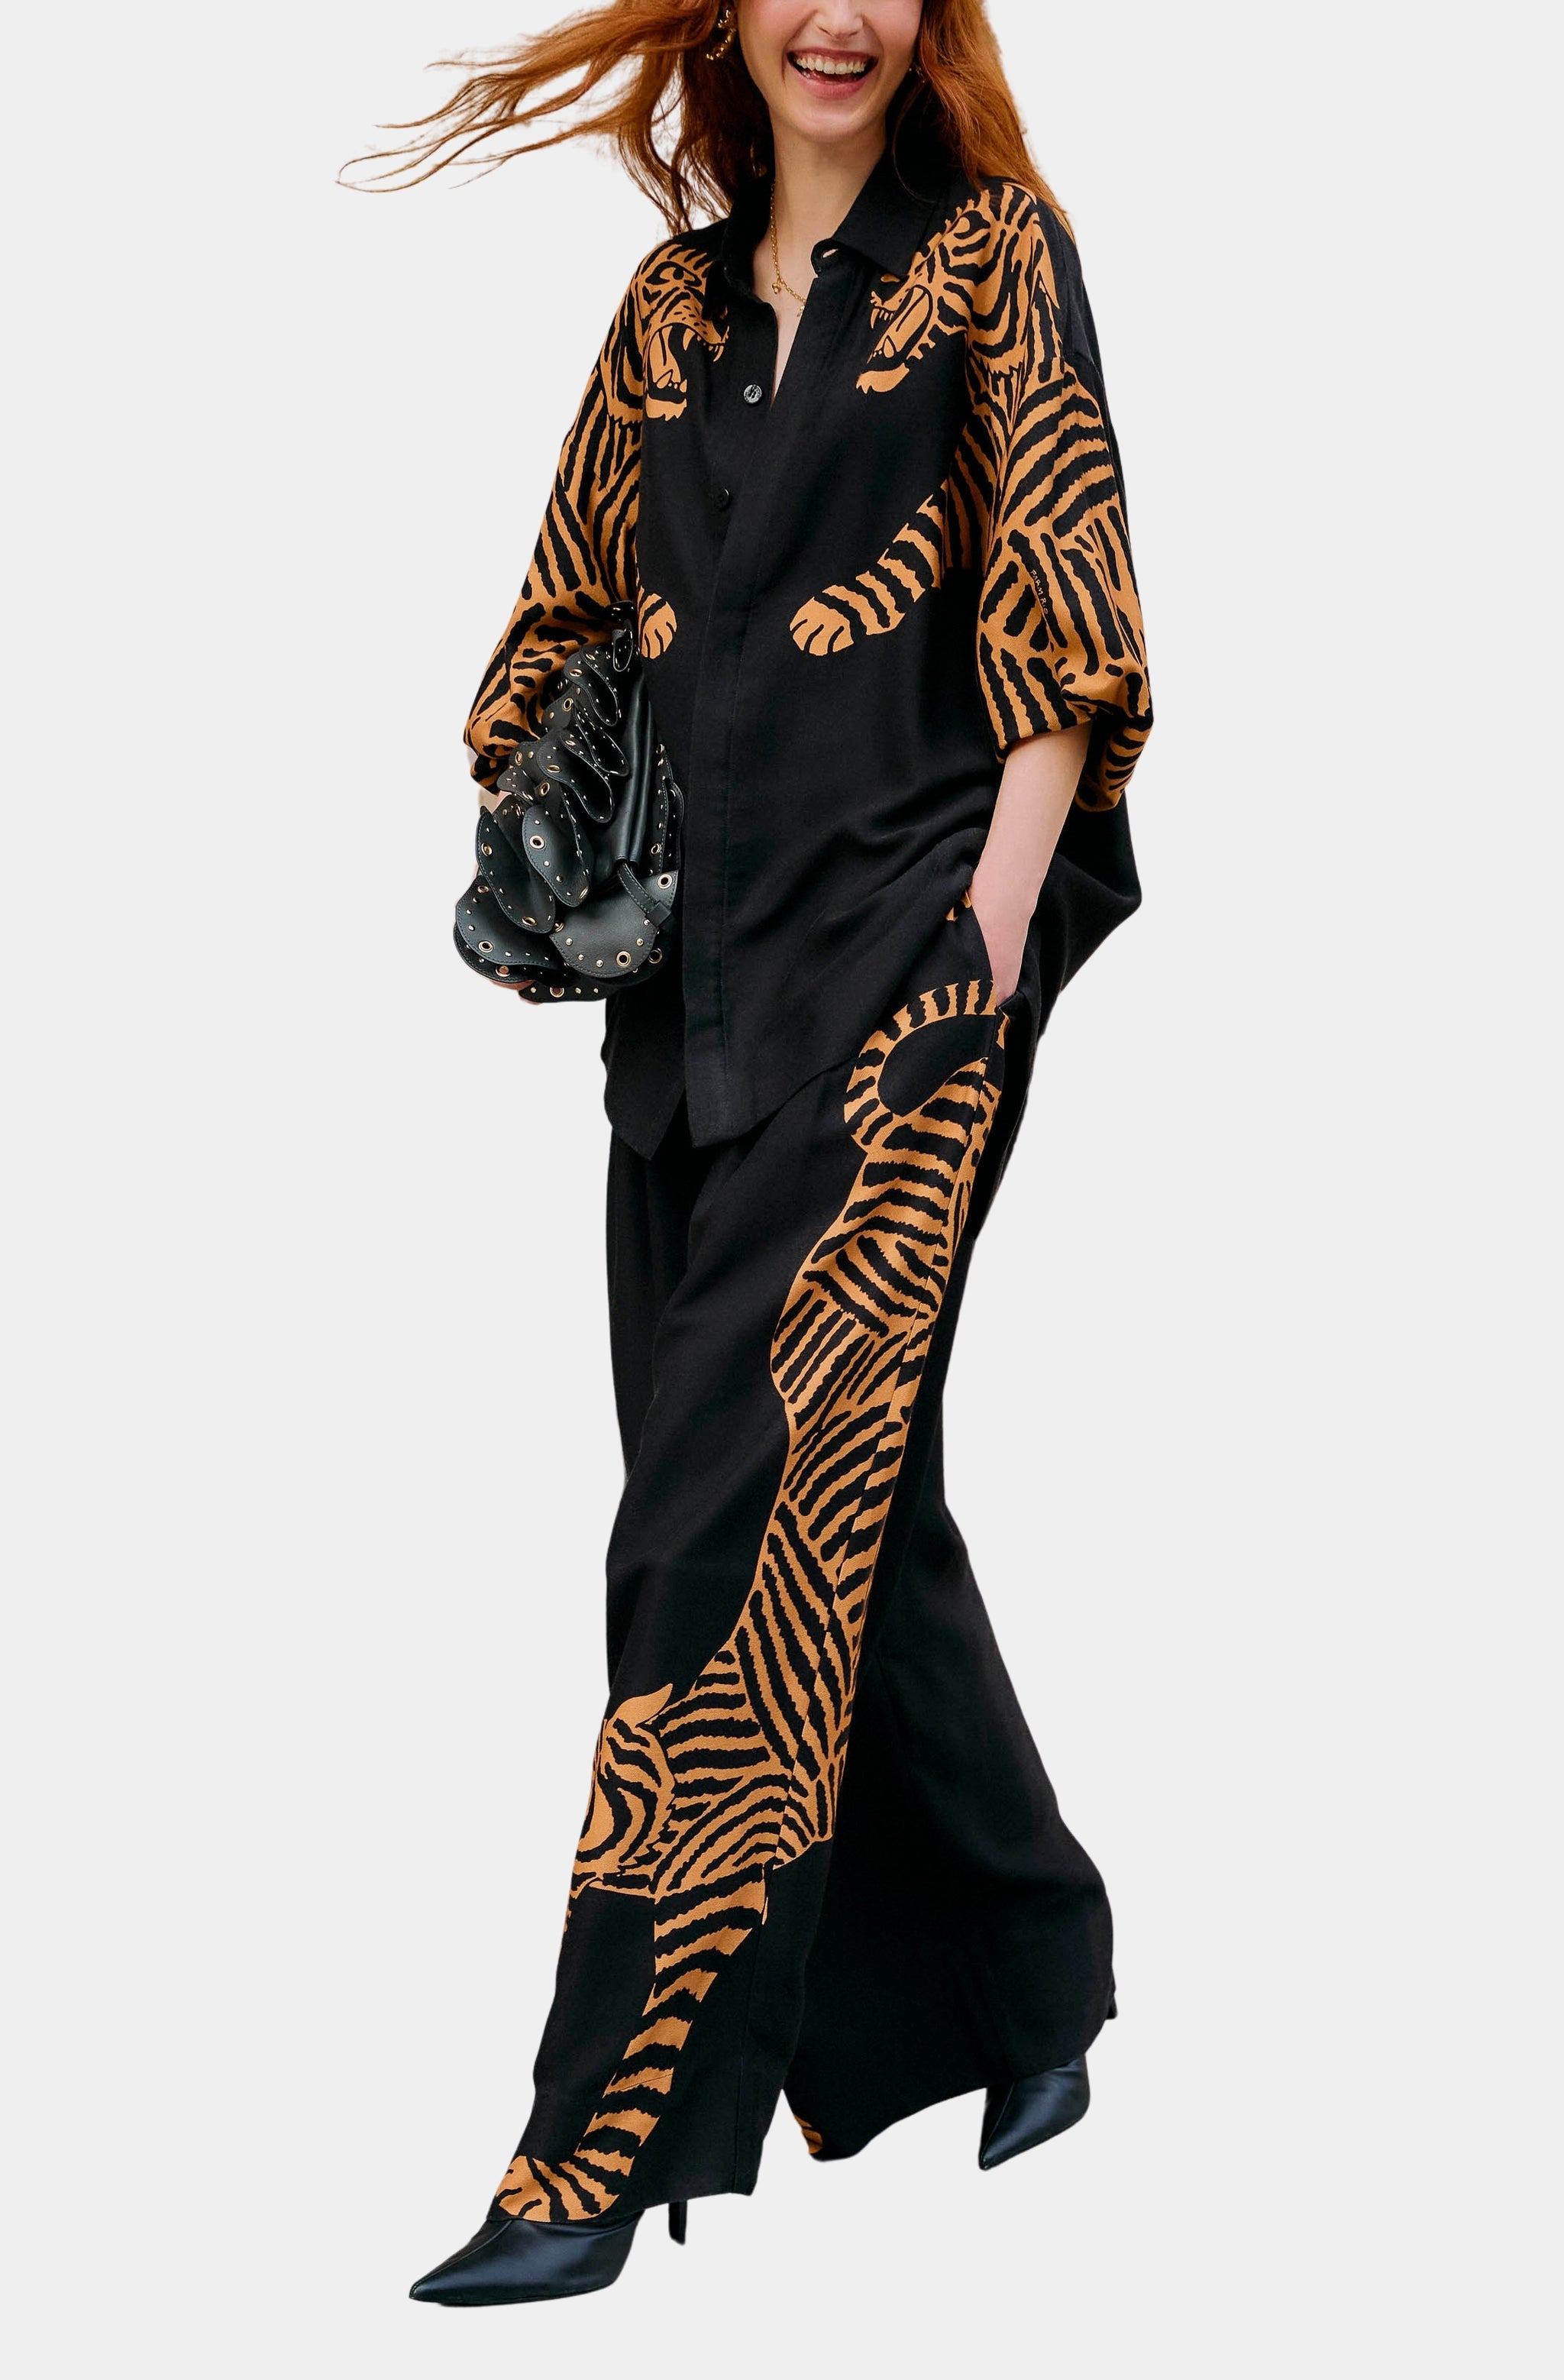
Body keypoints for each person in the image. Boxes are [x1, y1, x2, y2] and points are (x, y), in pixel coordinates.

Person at [370, 0, 1152, 2306]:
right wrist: (544, 821)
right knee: (833, 1499)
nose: (839, 14)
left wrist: (982, 943)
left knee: (716, 1529)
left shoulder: (994, 257)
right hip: (688, 1021)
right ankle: (1019, 1976)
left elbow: (1071, 626)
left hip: (907, 994)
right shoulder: (668, 312)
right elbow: (560, 627)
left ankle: (600, 2144)